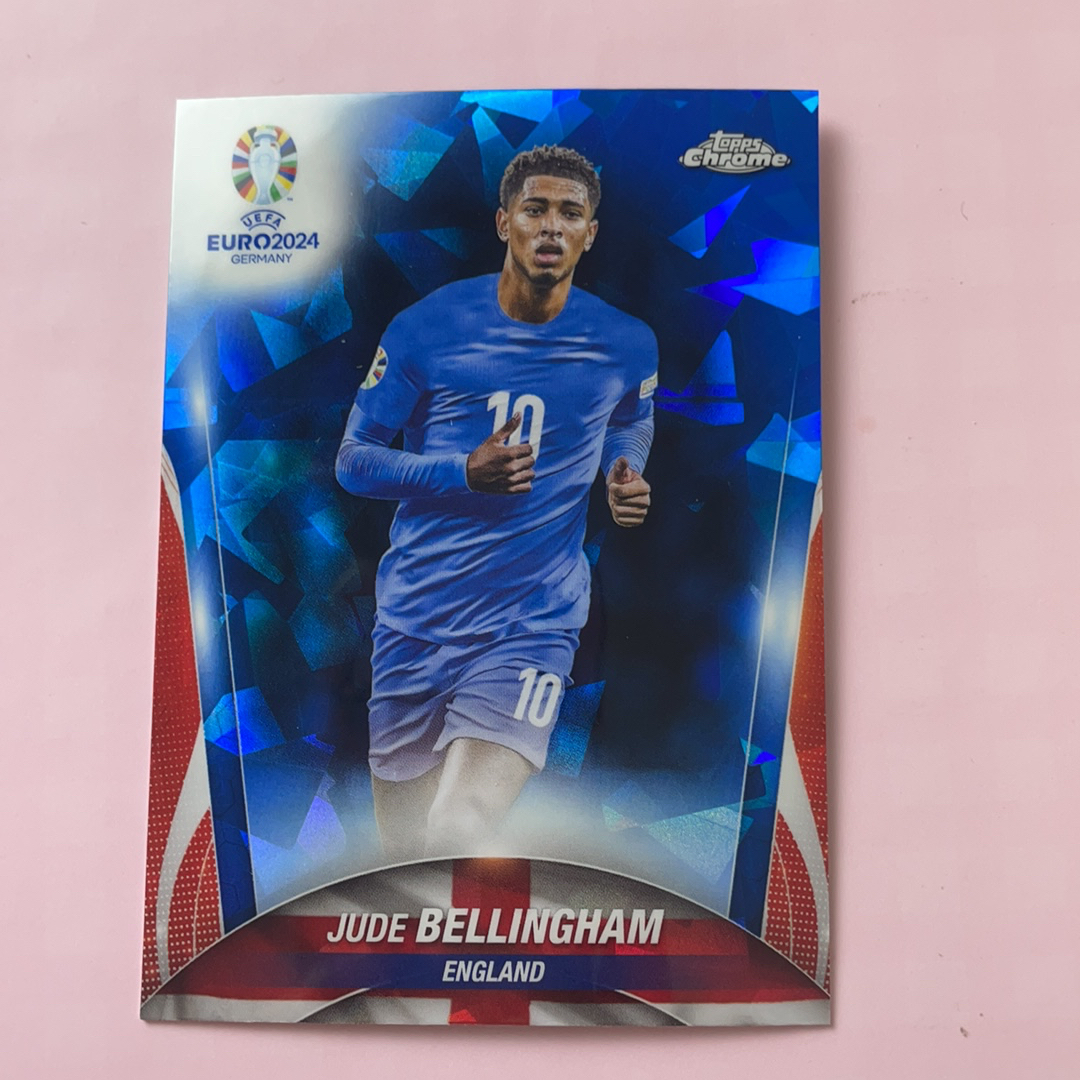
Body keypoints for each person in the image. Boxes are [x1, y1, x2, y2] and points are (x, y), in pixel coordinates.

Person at [336, 145, 657, 859]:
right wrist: (461, 473)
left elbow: (633, 416)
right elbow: (353, 460)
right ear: (504, 222)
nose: (551, 227)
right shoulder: (425, 329)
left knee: (459, 825)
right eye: (535, 210)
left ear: (590, 234)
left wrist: (625, 469)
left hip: (532, 627)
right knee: (402, 852)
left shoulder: (627, 343)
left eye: (570, 213)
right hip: (416, 622)